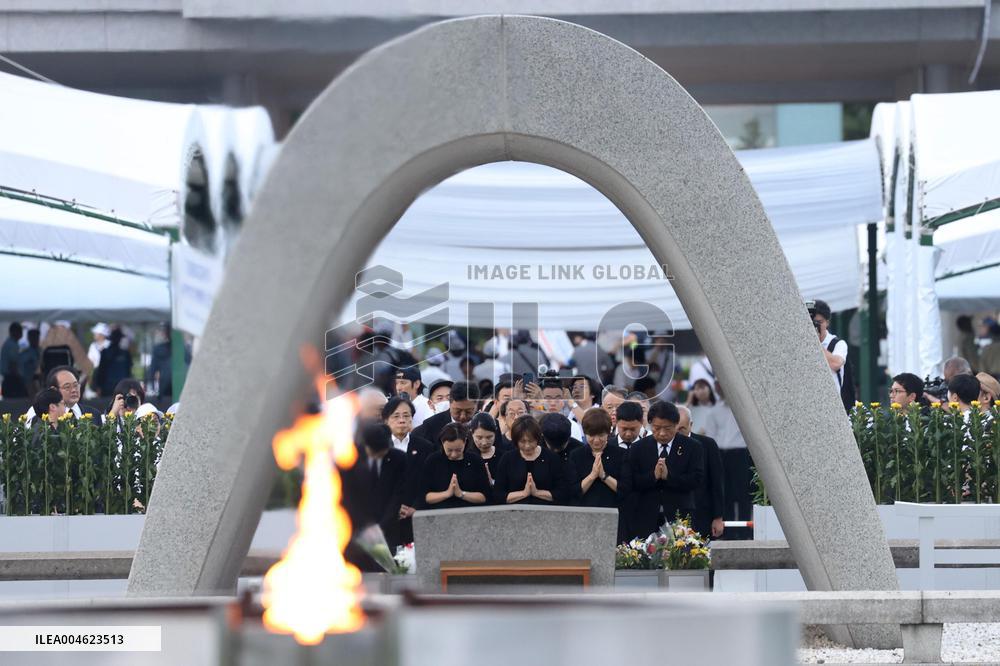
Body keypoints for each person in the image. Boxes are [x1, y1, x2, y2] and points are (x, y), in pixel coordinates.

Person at [623, 401, 705, 539]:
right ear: (649, 424)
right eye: (656, 428)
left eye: (667, 428)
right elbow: (631, 482)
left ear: (676, 424)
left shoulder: (692, 447)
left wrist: (669, 477)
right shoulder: (638, 448)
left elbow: (696, 479)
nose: (662, 433)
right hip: (646, 515)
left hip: (680, 513)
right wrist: (653, 476)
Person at [381, 395, 434, 543]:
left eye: (406, 415)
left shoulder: (425, 447)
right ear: (386, 420)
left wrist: (415, 507)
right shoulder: (380, 447)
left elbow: (428, 481)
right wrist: (393, 508)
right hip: (386, 517)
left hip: (416, 515)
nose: (402, 420)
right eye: (396, 416)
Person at [570, 407, 628, 540]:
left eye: (601, 435)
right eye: (591, 435)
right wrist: (592, 476)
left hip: (613, 518)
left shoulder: (621, 455)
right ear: (585, 433)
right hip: (584, 519)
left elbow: (624, 489)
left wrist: (603, 475)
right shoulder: (576, 455)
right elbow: (574, 491)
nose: (596, 440)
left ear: (609, 432)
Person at [494, 414, 570, 505]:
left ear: (538, 438)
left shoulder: (552, 458)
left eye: (531, 441)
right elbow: (498, 494)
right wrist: (524, 493)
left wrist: (537, 493)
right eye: (522, 441)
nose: (527, 446)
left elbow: (563, 493)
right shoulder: (507, 459)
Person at [357, 421, 408, 549]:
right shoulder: (353, 458)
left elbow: (398, 494)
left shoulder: (399, 459)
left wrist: (382, 526)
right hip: (360, 524)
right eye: (374, 452)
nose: (377, 456)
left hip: (388, 523)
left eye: (382, 453)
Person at [678, 406, 725, 540]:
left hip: (702, 513)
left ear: (690, 425)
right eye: (674, 428)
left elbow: (717, 482)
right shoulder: (665, 445)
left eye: (682, 429)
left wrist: (718, 517)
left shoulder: (707, 445)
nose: (678, 433)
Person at [713, 382, 752, 540]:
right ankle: (728, 532)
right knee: (725, 494)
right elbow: (711, 434)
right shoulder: (715, 411)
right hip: (722, 454)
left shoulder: (744, 409)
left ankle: (744, 532)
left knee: (743, 494)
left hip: (741, 453)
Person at [419, 423, 490, 509]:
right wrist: (447, 494)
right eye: (449, 450)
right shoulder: (433, 461)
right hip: (439, 513)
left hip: (469, 512)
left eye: (458, 450)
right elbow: (425, 497)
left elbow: (484, 497)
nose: (453, 455)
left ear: (465, 442)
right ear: (442, 442)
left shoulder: (475, 460)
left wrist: (461, 494)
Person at [808, 299, 852, 411]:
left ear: (827, 322)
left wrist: (815, 342)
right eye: (812, 323)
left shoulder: (838, 344)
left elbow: (836, 363)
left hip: (832, 406)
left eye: (820, 322)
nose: (816, 326)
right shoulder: (803, 343)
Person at [413, 380, 479, 445]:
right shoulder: (431, 426)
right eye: (457, 411)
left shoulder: (484, 423)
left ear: (476, 405)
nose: (463, 416)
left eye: (468, 411)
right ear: (450, 403)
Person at [23, 366, 93, 424]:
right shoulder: (39, 412)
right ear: (54, 389)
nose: (74, 390)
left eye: (75, 385)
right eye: (67, 387)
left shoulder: (93, 414)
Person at [468, 412, 511, 486]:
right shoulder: (466, 456)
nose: (484, 443)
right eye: (479, 437)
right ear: (472, 433)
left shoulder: (504, 457)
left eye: (489, 437)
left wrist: (494, 483)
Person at [539, 375, 584, 440]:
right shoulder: (534, 426)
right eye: (548, 399)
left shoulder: (573, 426)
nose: (553, 403)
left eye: (557, 398)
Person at [95, 328, 133, 398]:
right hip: (113, 387)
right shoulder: (106, 352)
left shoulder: (125, 353)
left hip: (117, 387)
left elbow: (100, 371)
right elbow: (101, 371)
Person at [1, 322, 27, 398]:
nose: (21, 333)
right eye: (19, 331)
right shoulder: (12, 345)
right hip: (12, 379)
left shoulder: (9, 343)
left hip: (9, 379)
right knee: (15, 404)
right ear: (13, 331)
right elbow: (13, 364)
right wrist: (20, 379)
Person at [18, 328, 42, 397]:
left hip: (41, 382)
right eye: (33, 337)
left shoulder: (42, 351)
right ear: (29, 338)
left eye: (36, 337)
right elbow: (21, 370)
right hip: (28, 383)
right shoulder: (25, 354)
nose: (35, 339)